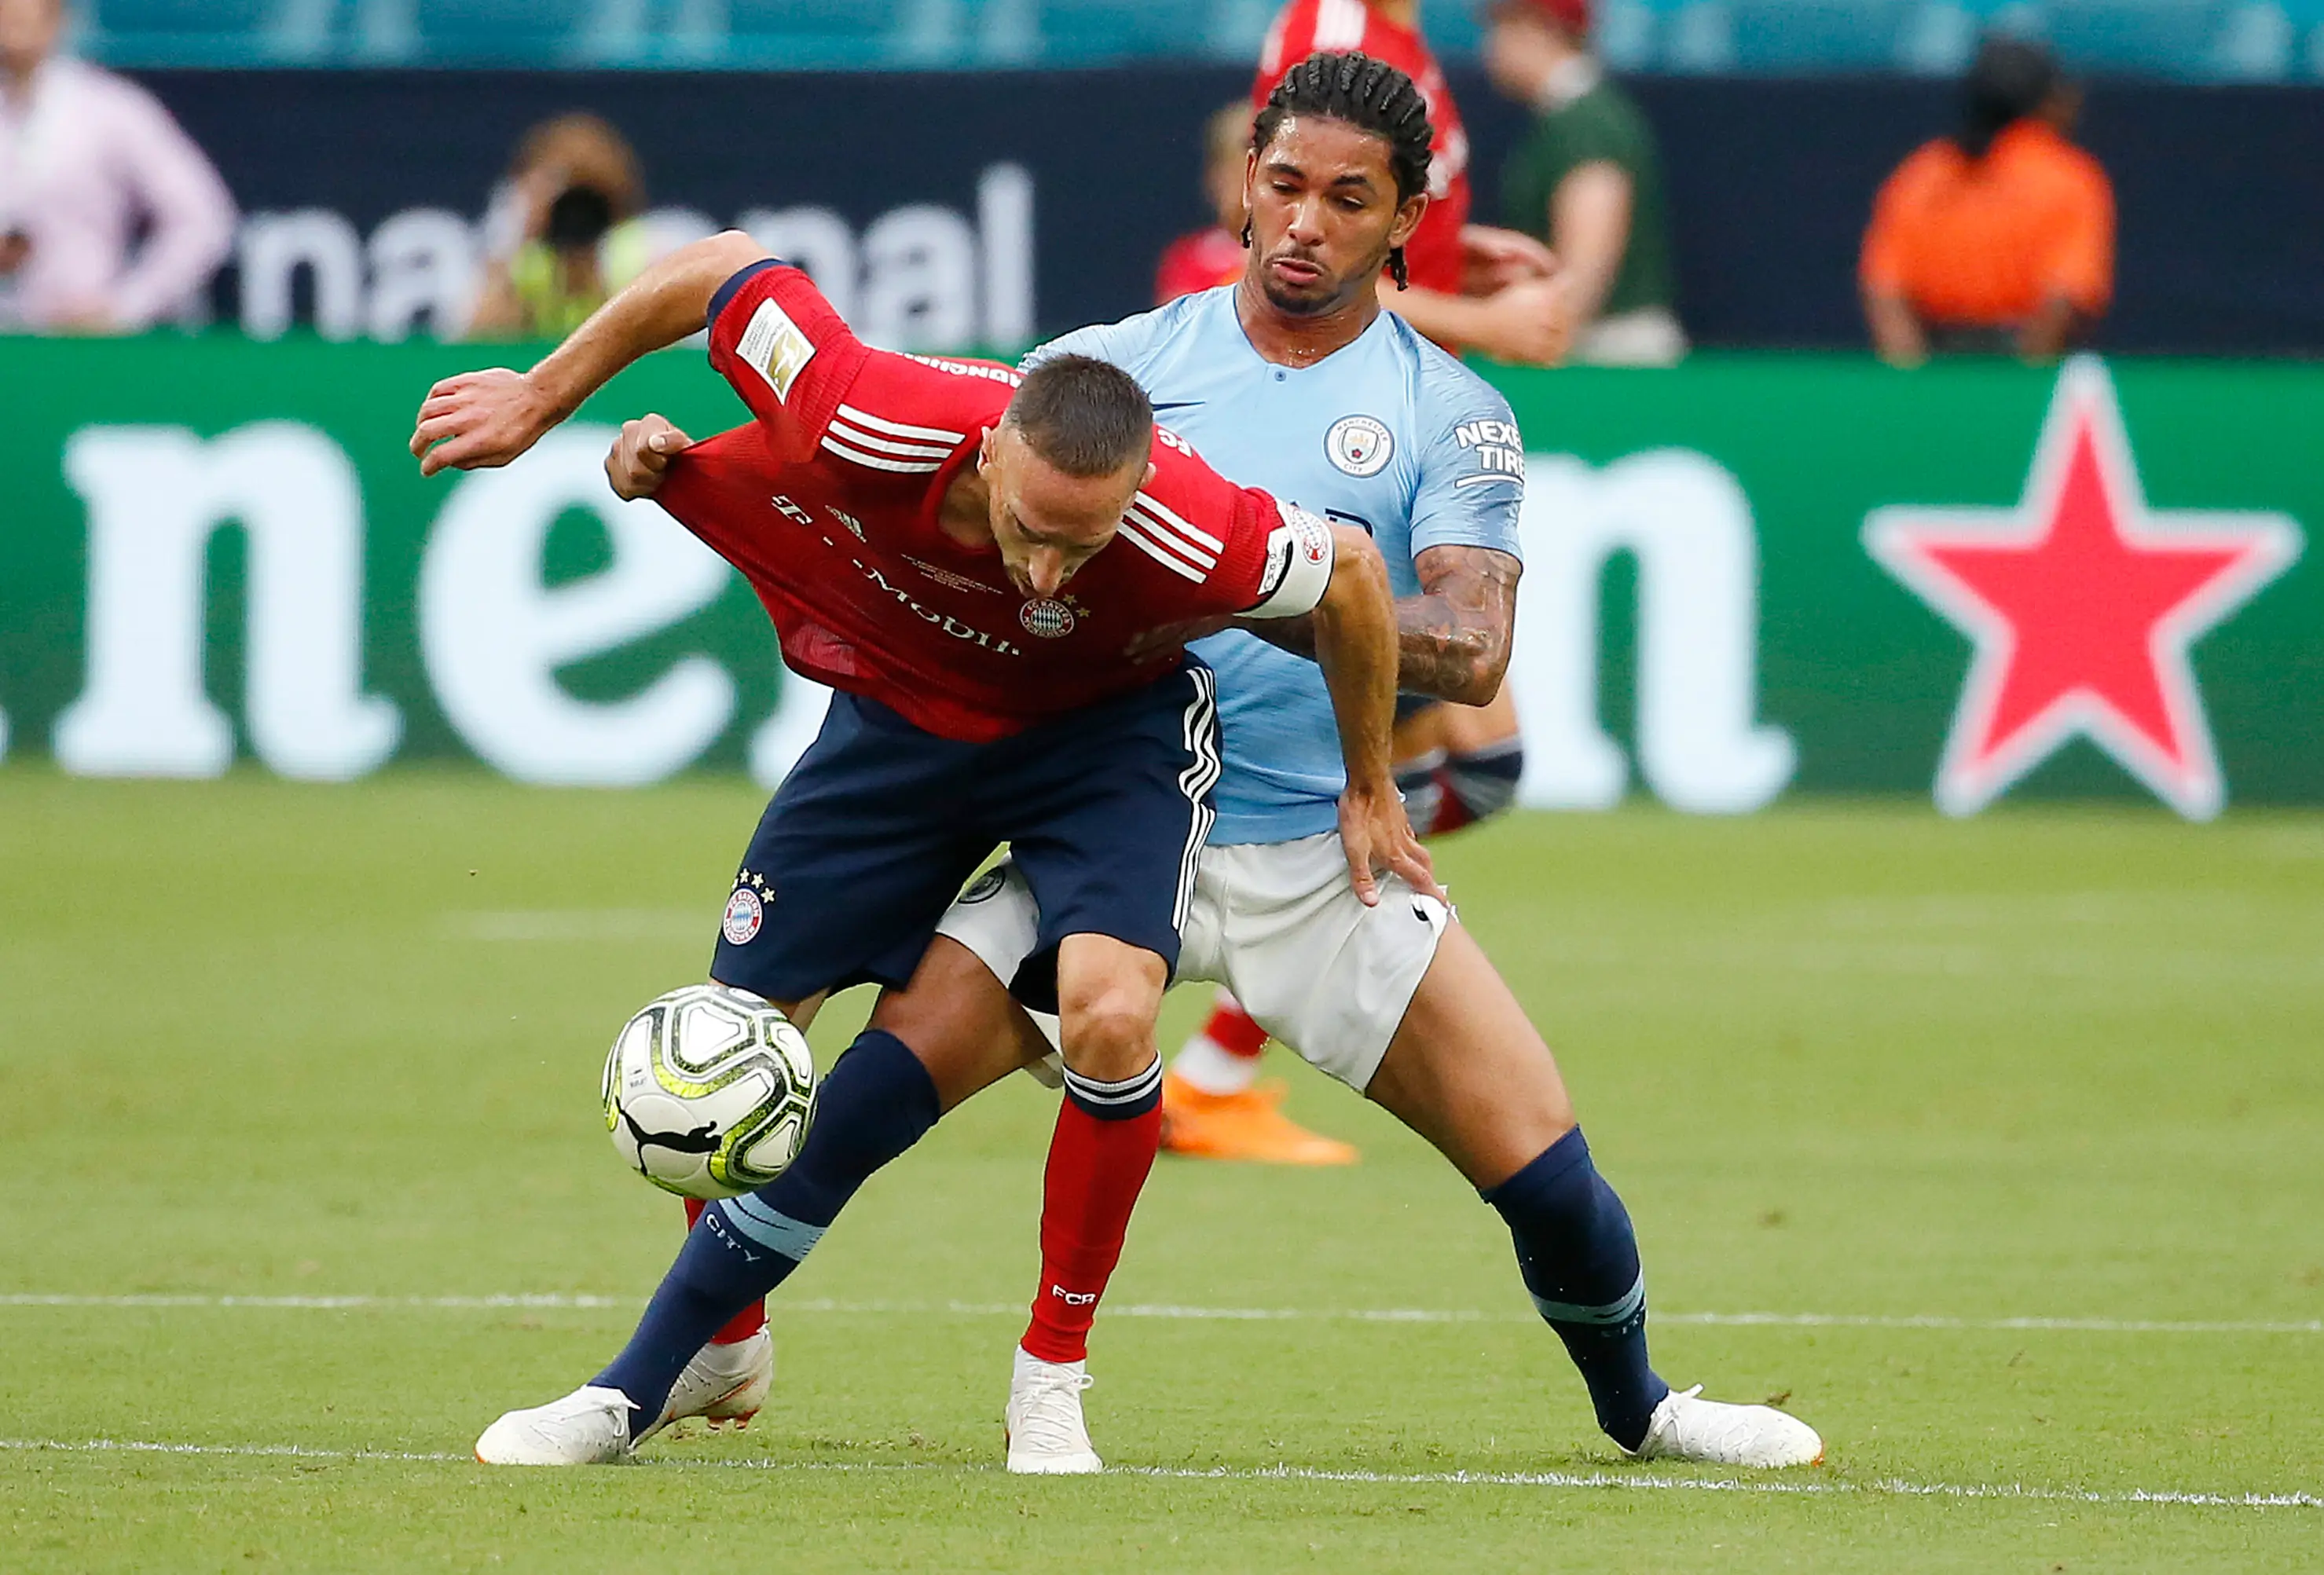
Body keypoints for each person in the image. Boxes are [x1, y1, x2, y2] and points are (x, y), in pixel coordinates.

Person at [557, 52, 1824, 1479]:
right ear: (1241, 185)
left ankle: (1640, 1406)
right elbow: (963, 530)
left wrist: (1224, 581)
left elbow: (1468, 651)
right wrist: (697, 477)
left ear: (1408, 217)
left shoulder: (1448, 412)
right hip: (1104, 813)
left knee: (1545, 1173)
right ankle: (633, 1386)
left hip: (1316, 853)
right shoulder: (1114, 374)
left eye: (1349, 199)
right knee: (858, 1104)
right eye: (1282, 185)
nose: (1305, 223)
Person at [413, 230, 1426, 1466]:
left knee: (1110, 1013)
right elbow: (723, 266)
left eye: (1084, 542)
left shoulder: (1195, 524)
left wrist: (1370, 782)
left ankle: (1050, 1377)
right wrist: (544, 394)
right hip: (902, 721)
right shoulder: (863, 410)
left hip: (1102, 745)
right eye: (1028, 527)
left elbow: (1357, 577)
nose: (1048, 571)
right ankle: (718, 1345)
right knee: (726, 1047)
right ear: (992, 448)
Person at [1255, 0, 1568, 365]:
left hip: (1399, 379)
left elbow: (1350, 222)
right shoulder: (1339, 46)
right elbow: (1279, 252)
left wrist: (1438, 250)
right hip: (1340, 385)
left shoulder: (1395, 34)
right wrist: (1484, 324)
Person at [1860, 36, 2113, 365]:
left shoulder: (1921, 173)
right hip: (2023, 366)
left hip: (1935, 370)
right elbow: (2062, 302)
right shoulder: (2070, 179)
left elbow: (1885, 299)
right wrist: (2022, 383)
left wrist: (1914, 381)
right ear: (2045, 101)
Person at [0, 0, 234, 334]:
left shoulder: (108, 109)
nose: (10, 34)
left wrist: (127, 305)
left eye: (21, 20)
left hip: (82, 335)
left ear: (54, 21)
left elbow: (203, 218)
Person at [1483, 0, 1685, 367]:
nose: (1489, 47)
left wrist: (1537, 342)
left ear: (1539, 29)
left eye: (1500, 28)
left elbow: (1586, 268)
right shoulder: (1566, 121)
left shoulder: (1586, 125)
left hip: (1611, 356)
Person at [468, 112, 659, 340]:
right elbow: (479, 344)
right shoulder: (528, 258)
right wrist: (513, 237)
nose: (576, 214)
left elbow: (660, 356)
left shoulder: (635, 251)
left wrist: (596, 271)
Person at [1155, 101, 1256, 305]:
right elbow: (1180, 329)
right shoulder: (1190, 260)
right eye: (1232, 174)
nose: (1244, 191)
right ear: (1213, 178)